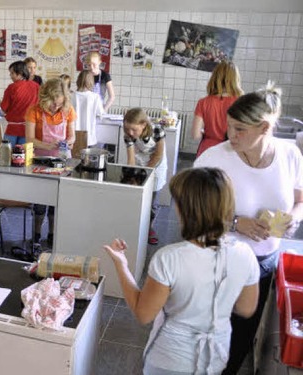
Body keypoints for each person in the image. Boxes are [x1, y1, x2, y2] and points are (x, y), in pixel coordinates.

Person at [103, 167, 260, 375]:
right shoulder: (245, 254)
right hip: (215, 356)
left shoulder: (170, 258)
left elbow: (143, 313)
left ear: (187, 209)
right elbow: (246, 308)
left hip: (170, 359)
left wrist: (121, 265)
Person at [194, 82, 303, 374]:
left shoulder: (290, 155)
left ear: (265, 128)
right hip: (217, 260)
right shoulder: (215, 157)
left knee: (240, 335)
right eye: (230, 126)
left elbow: (299, 200)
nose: (231, 134)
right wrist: (233, 222)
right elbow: (190, 210)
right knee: (207, 331)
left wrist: (293, 217)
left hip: (262, 264)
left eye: (240, 129)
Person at [26, 78, 76, 248]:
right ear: (44, 99)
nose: (55, 107)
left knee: (58, 200)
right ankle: (37, 235)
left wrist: (68, 142)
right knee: (40, 201)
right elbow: (30, 139)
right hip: (40, 159)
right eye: (52, 104)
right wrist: (48, 145)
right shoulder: (34, 111)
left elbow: (72, 136)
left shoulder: (68, 111)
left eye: (59, 104)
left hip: (63, 160)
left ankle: (53, 235)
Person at [123, 108, 167, 245]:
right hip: (141, 160)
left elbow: (158, 154)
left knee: (152, 200)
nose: (130, 133)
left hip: (157, 164)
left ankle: (149, 228)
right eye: (127, 129)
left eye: (134, 130)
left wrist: (146, 173)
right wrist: (132, 176)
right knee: (139, 195)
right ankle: (138, 225)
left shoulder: (157, 131)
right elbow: (131, 159)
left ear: (144, 125)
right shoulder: (128, 135)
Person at [191, 61, 243, 157]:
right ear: (235, 79)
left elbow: (195, 135)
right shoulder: (241, 102)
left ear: (215, 77)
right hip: (232, 151)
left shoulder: (203, 102)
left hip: (207, 151)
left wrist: (207, 134)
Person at [0, 60, 40, 146]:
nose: (10, 76)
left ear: (20, 73)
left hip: (12, 129)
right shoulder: (36, 86)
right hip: (29, 129)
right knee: (25, 157)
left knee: (7, 155)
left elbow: (3, 108)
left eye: (12, 73)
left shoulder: (12, 87)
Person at [72, 70, 105, 147]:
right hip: (88, 132)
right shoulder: (95, 97)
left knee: (74, 155)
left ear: (78, 80)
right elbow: (100, 113)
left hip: (73, 131)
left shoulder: (71, 96)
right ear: (91, 82)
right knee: (86, 154)